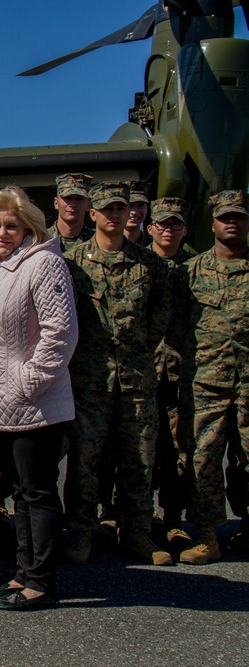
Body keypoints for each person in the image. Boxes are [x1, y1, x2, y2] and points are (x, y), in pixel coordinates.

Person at [0, 187, 78, 611]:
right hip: (0, 404)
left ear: (28, 227)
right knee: (19, 491)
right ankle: (22, 573)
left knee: (37, 492)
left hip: (35, 403)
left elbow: (60, 334)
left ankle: (41, 583)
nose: (1, 233)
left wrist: (27, 384)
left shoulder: (44, 265)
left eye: (11, 226)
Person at [62, 182, 172, 566]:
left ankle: (137, 531)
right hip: (89, 380)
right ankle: (80, 533)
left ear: (130, 214)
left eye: (120, 209)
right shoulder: (71, 263)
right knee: (84, 459)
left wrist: (136, 354)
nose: (113, 215)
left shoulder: (151, 265)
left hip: (136, 379)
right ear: (93, 214)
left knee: (139, 458)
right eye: (105, 209)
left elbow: (159, 319)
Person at [173, 190, 249, 564]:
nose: (232, 223)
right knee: (200, 460)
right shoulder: (191, 271)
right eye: (225, 218)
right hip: (205, 384)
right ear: (213, 223)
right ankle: (207, 536)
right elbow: (172, 326)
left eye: (239, 217)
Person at [147, 197, 195, 548]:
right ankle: (137, 516)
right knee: (140, 448)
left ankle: (174, 519)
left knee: (179, 448)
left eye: (175, 224)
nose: (168, 229)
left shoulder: (195, 269)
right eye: (161, 223)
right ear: (150, 228)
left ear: (184, 230)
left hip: (181, 372)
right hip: (144, 371)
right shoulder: (140, 264)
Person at [47, 173, 94, 251]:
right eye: (67, 198)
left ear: (88, 205)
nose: (72, 204)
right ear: (56, 203)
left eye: (79, 199)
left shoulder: (97, 241)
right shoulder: (41, 240)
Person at [126, 181, 151, 246]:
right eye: (130, 205)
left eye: (140, 205)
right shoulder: (106, 245)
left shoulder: (155, 247)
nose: (134, 212)